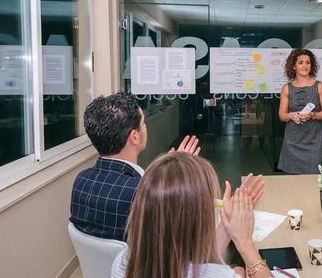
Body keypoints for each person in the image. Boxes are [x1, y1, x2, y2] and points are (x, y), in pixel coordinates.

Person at [109, 153, 295, 278]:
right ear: (199, 218)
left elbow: (189, 263)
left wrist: (227, 225)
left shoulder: (122, 264)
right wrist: (246, 244)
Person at [70, 92, 264, 242]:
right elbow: (198, 256)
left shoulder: (81, 180)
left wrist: (167, 169)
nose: (145, 127)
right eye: (143, 123)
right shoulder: (149, 195)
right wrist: (230, 219)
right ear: (134, 136)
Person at [278, 48, 322, 174]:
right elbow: (282, 115)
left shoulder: (319, 86)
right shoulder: (286, 88)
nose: (305, 66)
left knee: (314, 180)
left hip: (314, 141)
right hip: (292, 142)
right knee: (293, 184)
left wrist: (312, 115)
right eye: (301, 63)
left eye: (308, 62)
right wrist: (291, 115)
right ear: (293, 66)